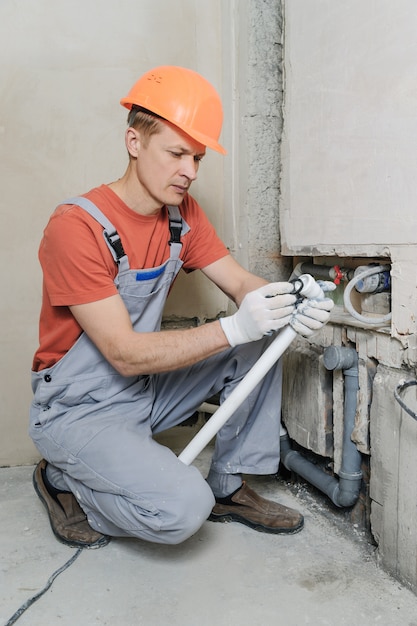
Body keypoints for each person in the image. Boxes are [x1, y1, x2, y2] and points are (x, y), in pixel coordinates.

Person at [29, 65, 334, 549]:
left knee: (264, 336)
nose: (189, 172)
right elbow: (124, 353)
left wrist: (290, 301)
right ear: (134, 141)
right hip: (80, 408)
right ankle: (64, 480)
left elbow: (240, 284)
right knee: (180, 511)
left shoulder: (183, 215)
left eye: (197, 158)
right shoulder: (77, 228)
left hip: (142, 392)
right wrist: (235, 327)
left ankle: (228, 485)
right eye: (176, 154)